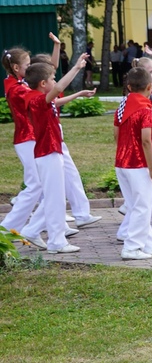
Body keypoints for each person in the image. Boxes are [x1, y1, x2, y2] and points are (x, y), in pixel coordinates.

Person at [1, 34, 81, 237]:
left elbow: (48, 72)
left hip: (32, 138)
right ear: (18, 68)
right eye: (28, 65)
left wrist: (56, 46)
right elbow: (51, 82)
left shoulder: (20, 83)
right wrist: (76, 68)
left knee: (44, 186)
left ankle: (44, 227)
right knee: (38, 184)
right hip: (28, 138)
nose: (32, 67)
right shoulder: (19, 89)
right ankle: (11, 227)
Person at [21, 54, 95, 253]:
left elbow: (57, 102)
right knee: (55, 199)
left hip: (51, 151)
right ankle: (56, 242)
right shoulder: (36, 99)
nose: (55, 82)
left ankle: (32, 230)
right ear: (43, 83)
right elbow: (59, 89)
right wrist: (77, 68)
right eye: (52, 79)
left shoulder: (40, 98)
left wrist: (78, 94)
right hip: (47, 153)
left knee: (55, 196)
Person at [113, 67, 152, 260]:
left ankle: (149, 244)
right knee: (143, 206)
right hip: (138, 163)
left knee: (136, 203)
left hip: (121, 161)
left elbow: (116, 134)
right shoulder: (145, 108)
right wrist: (151, 168)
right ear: (149, 86)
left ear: (129, 86)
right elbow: (146, 139)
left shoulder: (124, 104)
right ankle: (132, 247)